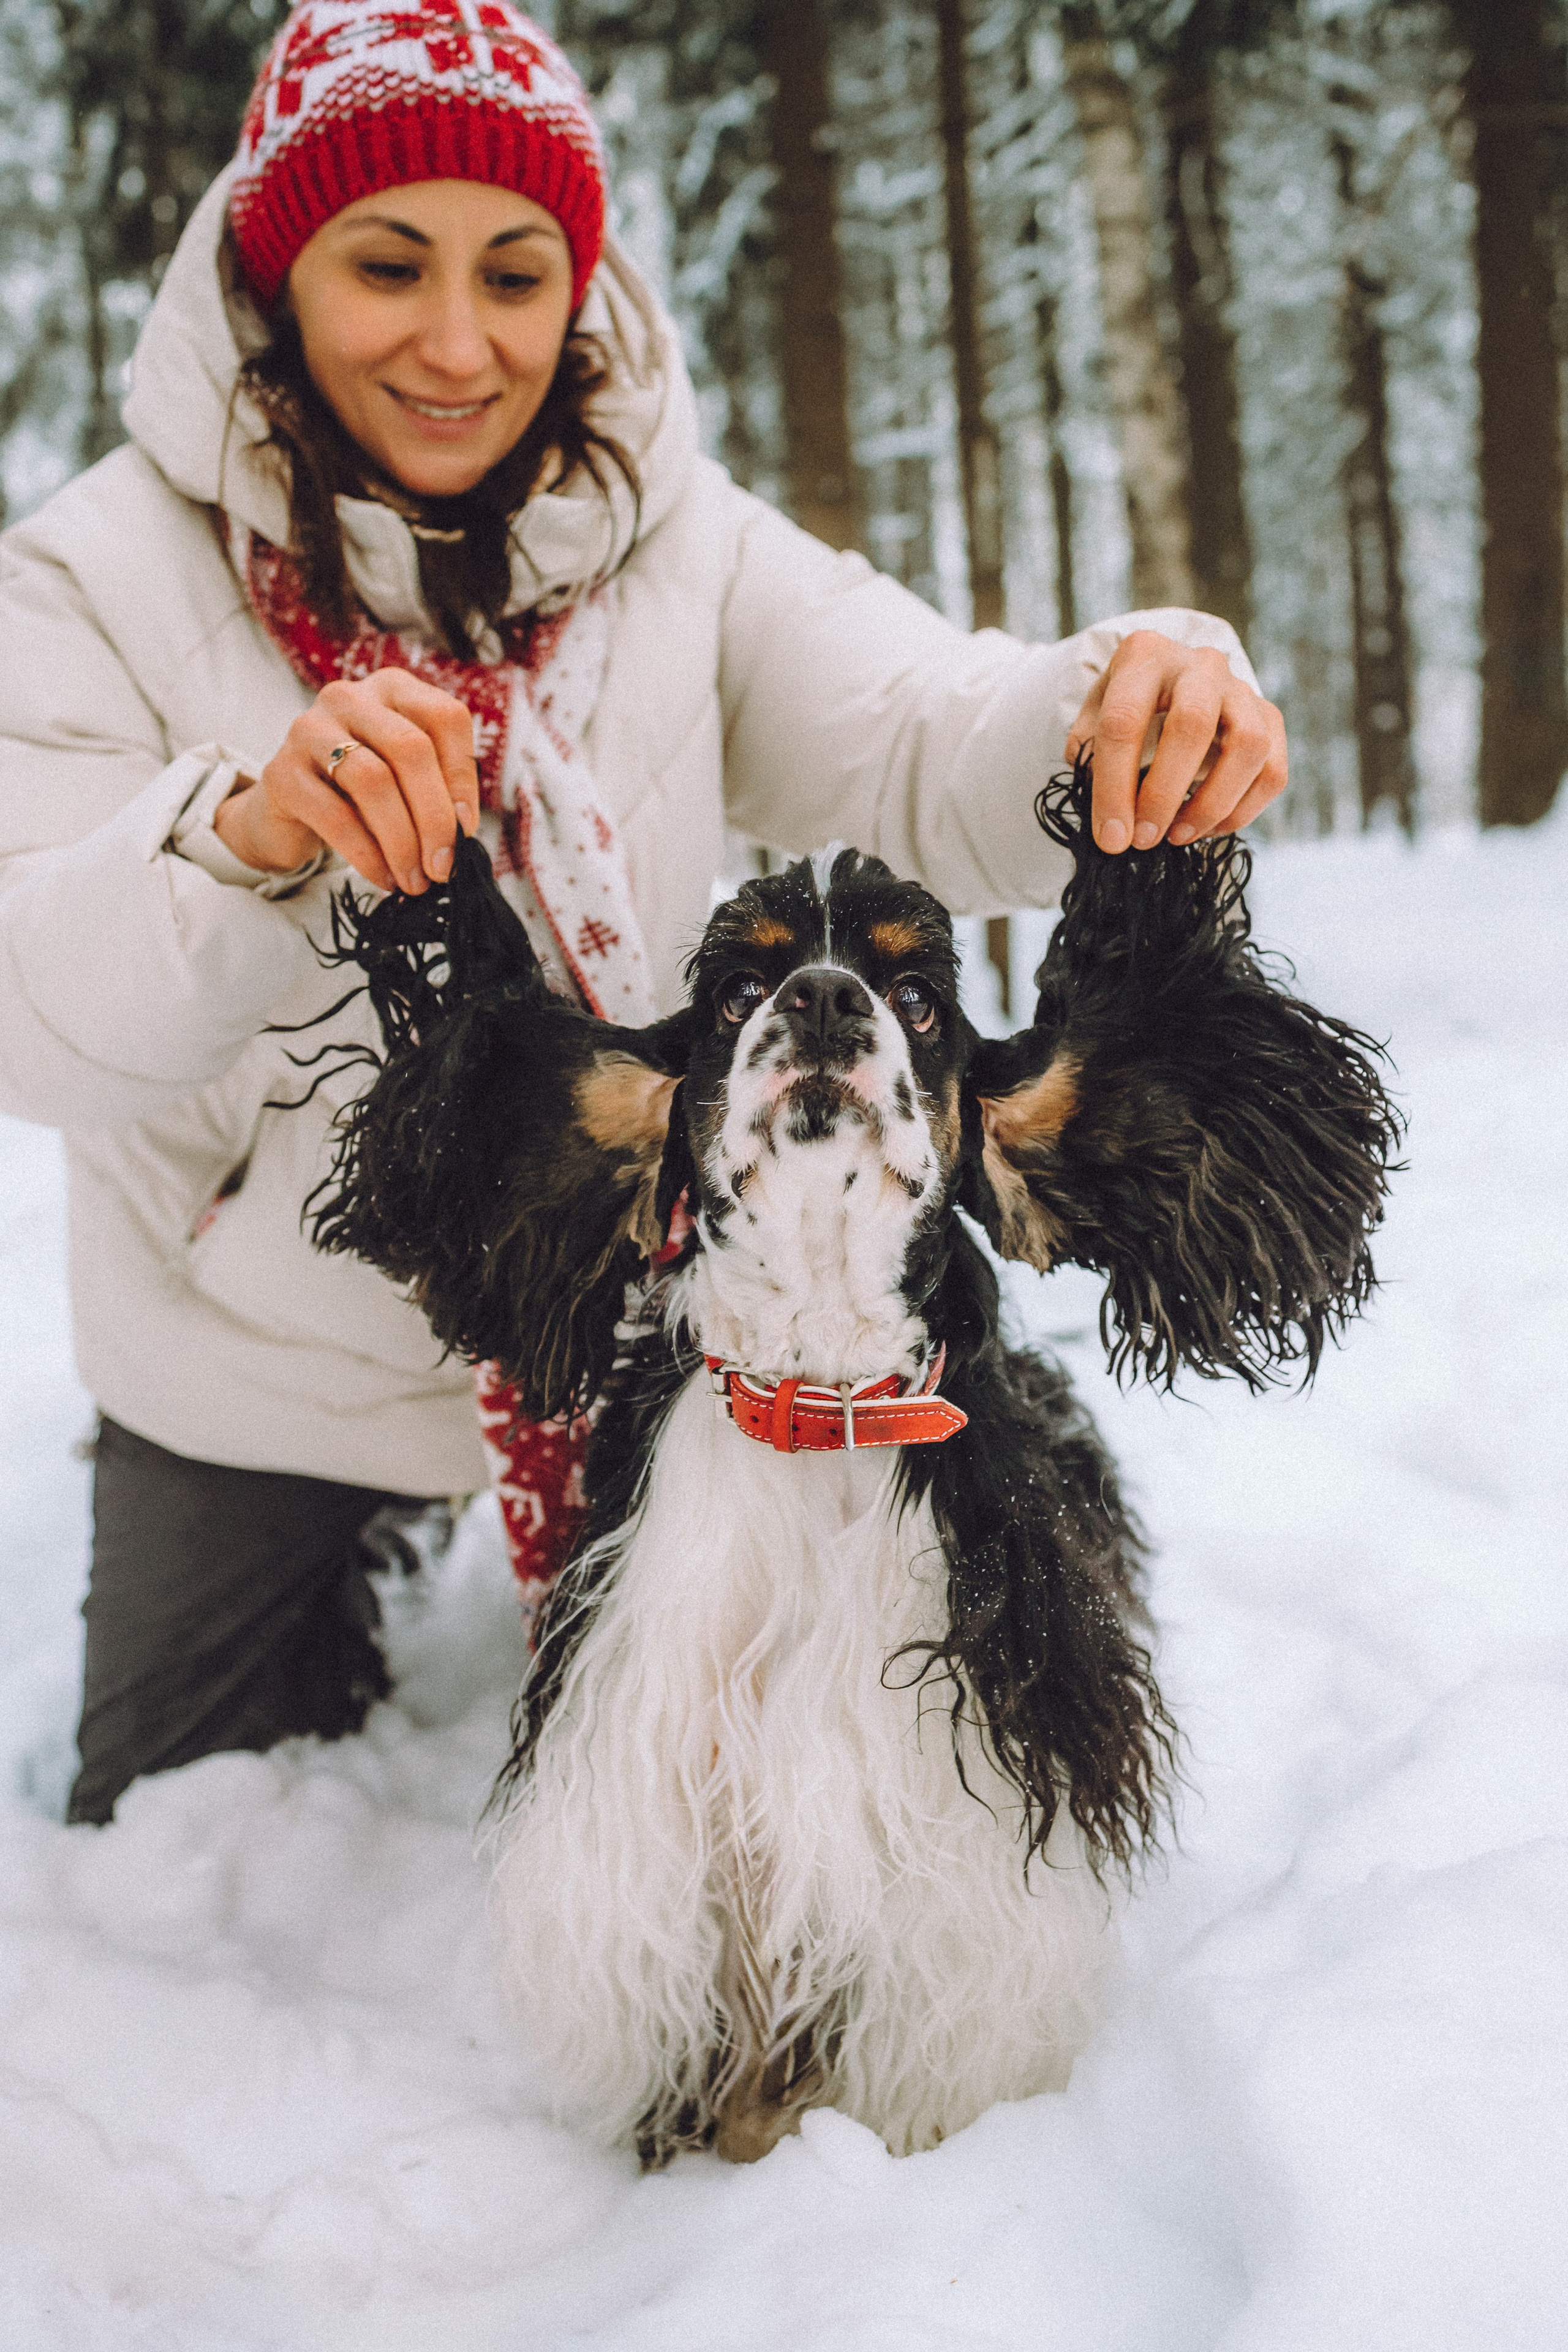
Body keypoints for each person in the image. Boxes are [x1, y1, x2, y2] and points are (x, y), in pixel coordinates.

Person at [0, 0, 1287, 1826]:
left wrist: (1124, 701)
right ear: (275, 273)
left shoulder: (670, 535)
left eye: (517, 273)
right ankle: (364, 1542)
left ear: (580, 288)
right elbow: (33, 1015)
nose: (460, 344)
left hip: (666, 1323)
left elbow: (928, 745)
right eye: (389, 265)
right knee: (174, 1839)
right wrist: (250, 841)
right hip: (271, 1370)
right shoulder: (88, 575)